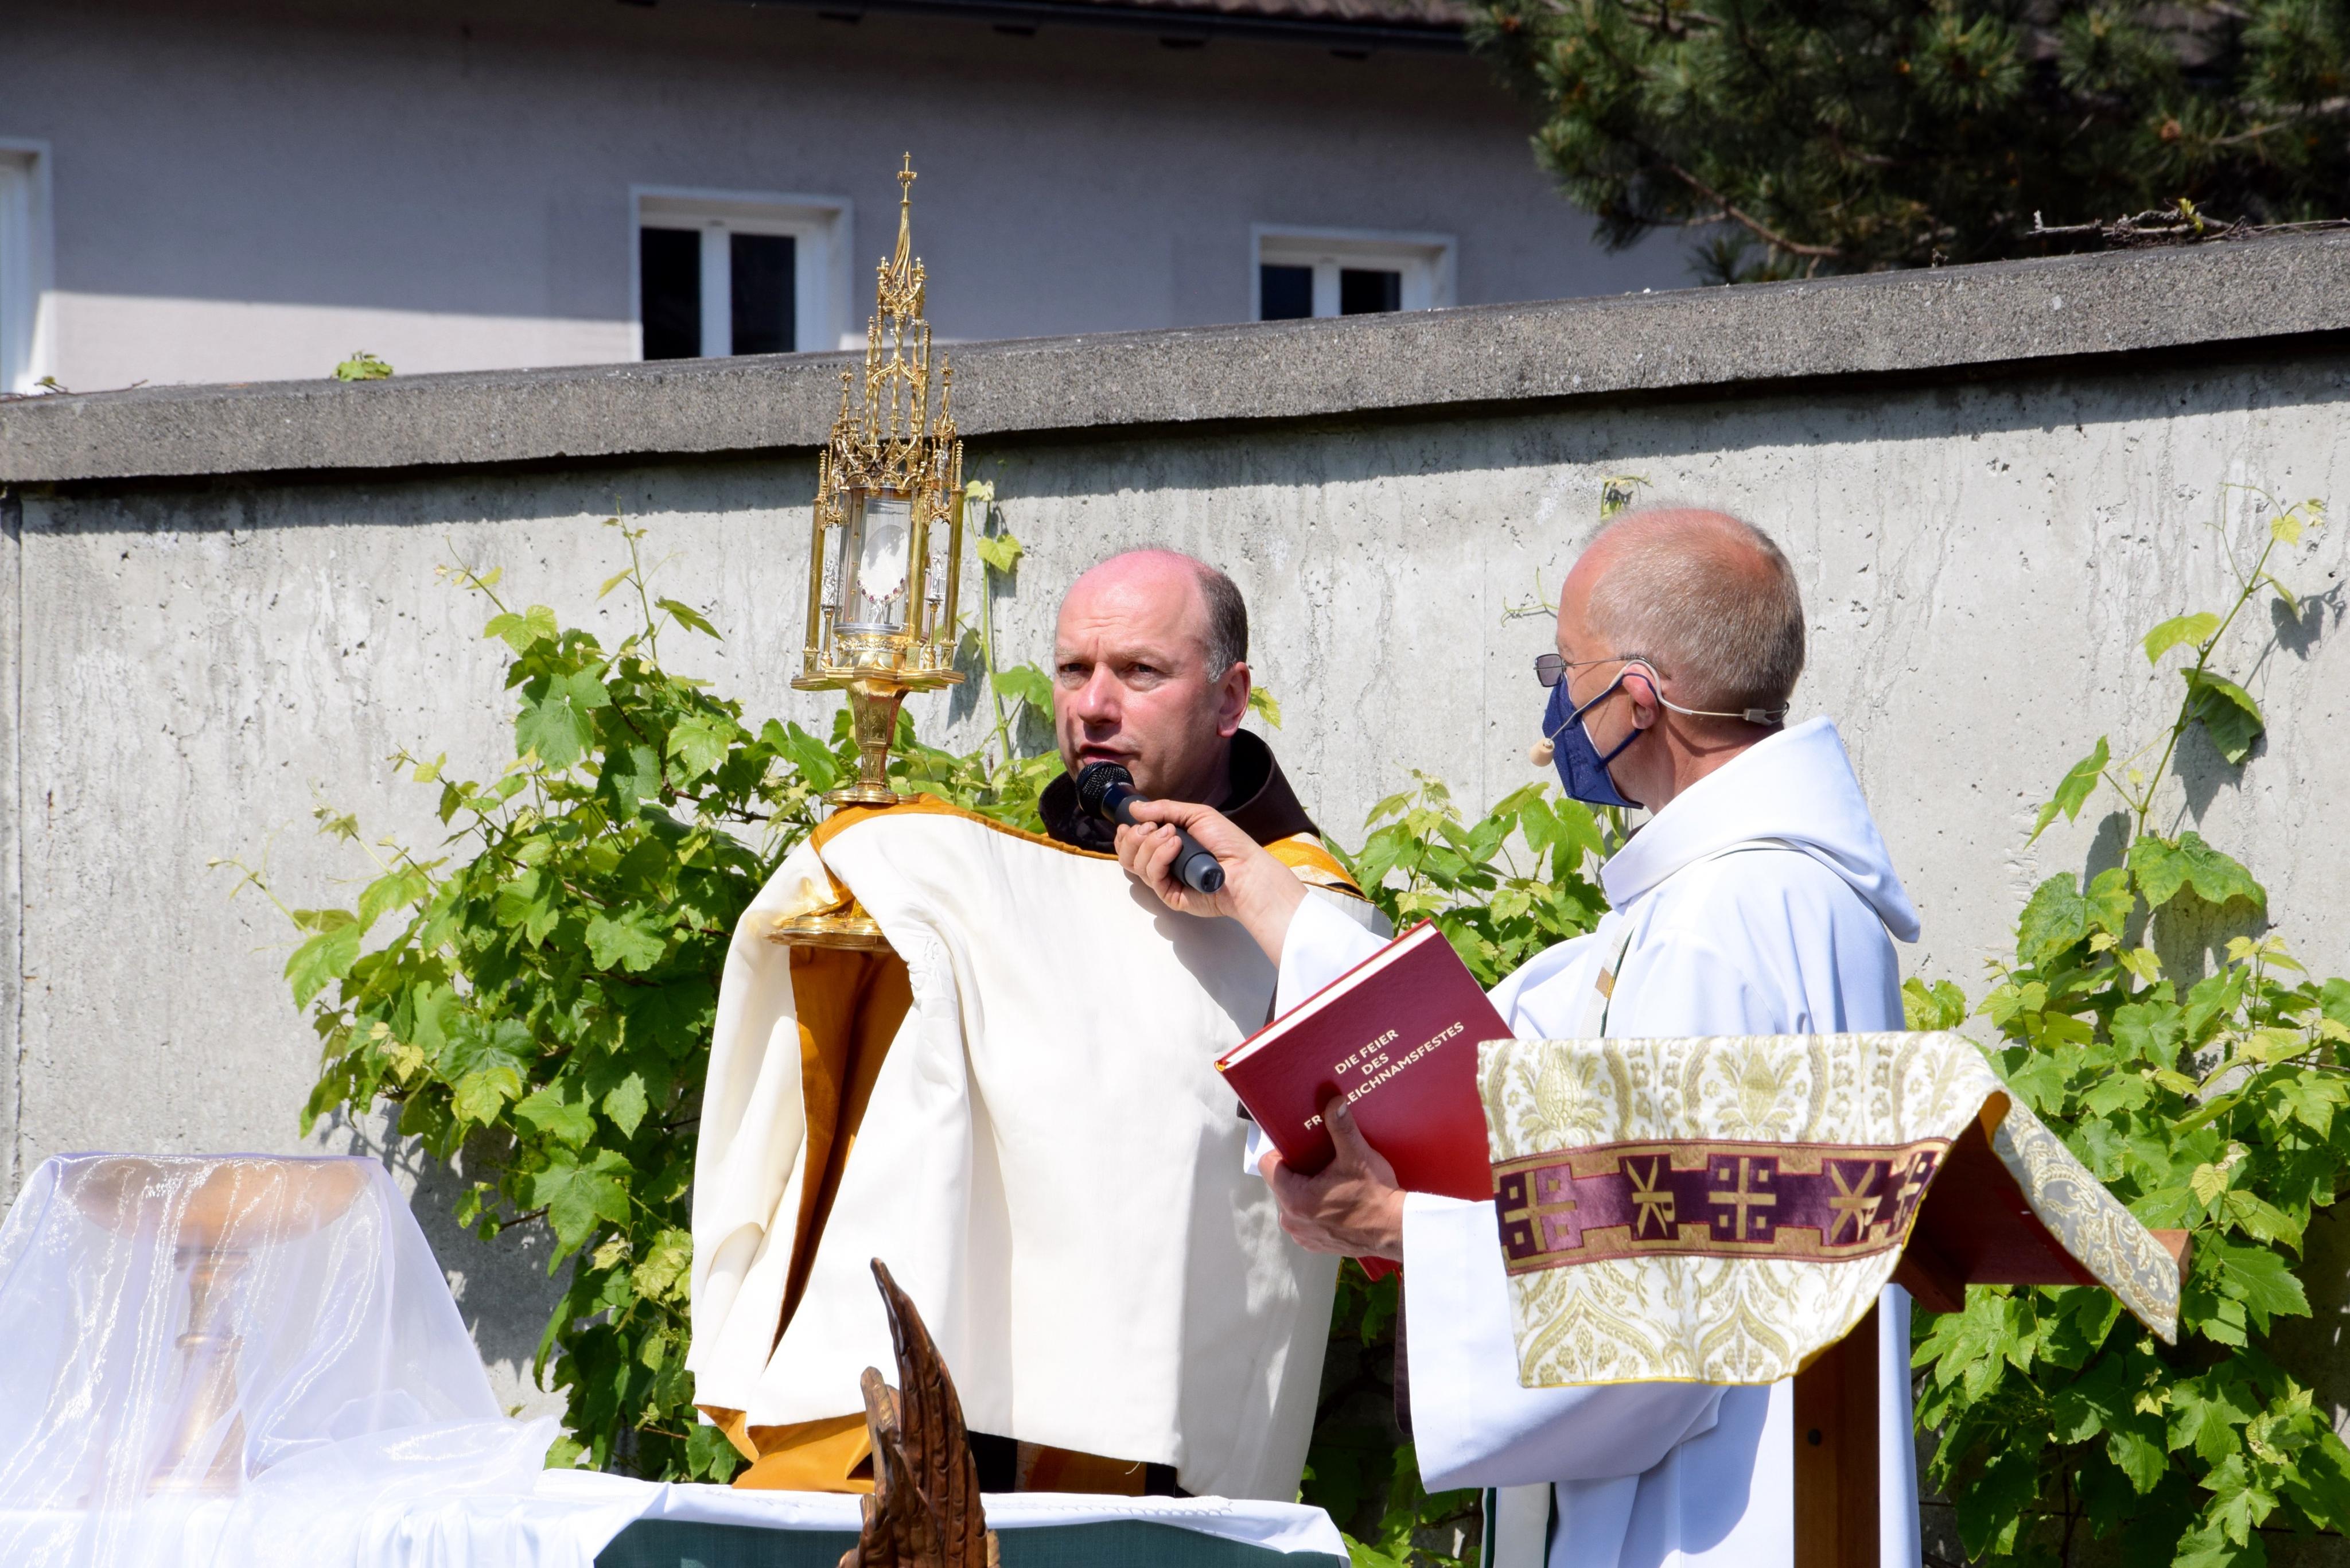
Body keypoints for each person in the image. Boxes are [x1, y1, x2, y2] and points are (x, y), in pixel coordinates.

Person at [1112, 507, 1923, 1567]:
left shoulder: (1719, 925)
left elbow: (1655, 1291)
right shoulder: (1772, 895)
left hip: (1710, 1519)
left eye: (1563, 668)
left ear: (1637, 695)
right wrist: (1258, 891)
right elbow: (1490, 1060)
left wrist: (1399, 1223)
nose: (1554, 708)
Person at [689, 545, 1380, 1503]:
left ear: (1229, 699)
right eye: (1072, 668)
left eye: (1139, 671)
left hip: (1160, 1456)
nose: (1093, 704)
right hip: (963, 1427)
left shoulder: (1307, 914)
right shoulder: (996, 890)